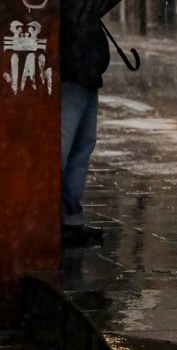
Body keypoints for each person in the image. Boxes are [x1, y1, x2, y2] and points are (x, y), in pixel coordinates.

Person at [60, 17, 110, 246]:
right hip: (72, 79)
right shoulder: (67, 11)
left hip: (88, 80)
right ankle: (57, 218)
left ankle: (71, 219)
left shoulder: (86, 10)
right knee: (63, 150)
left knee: (81, 150)